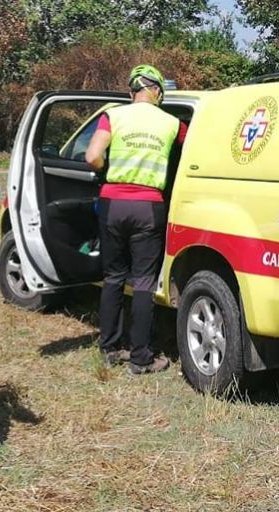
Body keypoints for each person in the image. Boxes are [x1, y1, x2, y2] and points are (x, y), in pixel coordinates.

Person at [85, 64, 187, 374]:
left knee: (114, 276)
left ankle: (109, 348)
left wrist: (105, 168)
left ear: (132, 92)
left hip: (113, 202)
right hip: (148, 205)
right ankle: (141, 356)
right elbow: (191, 152)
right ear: (157, 91)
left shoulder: (113, 115)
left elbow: (92, 156)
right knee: (143, 281)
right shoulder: (172, 122)